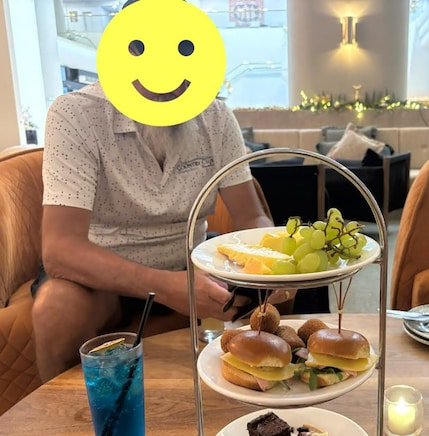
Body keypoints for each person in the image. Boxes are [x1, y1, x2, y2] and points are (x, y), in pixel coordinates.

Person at [31, 81, 288, 382]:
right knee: (57, 311)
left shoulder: (216, 116)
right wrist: (166, 287)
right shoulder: (76, 112)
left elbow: (251, 216)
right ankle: (73, 413)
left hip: (190, 261)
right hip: (100, 276)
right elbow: (60, 250)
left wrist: (273, 261)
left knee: (274, 294)